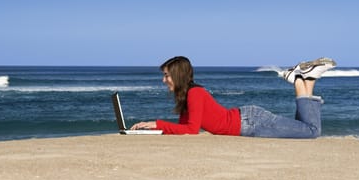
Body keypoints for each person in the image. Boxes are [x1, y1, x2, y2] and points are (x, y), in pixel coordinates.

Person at [131, 56, 336, 138]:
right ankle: (307, 80)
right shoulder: (188, 96)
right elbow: (185, 128)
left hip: (252, 123)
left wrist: (156, 123)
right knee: (307, 129)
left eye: (166, 75)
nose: (163, 80)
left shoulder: (195, 93)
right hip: (247, 121)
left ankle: (299, 80)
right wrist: (153, 127)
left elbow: (191, 131)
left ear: (177, 75)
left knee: (312, 132)